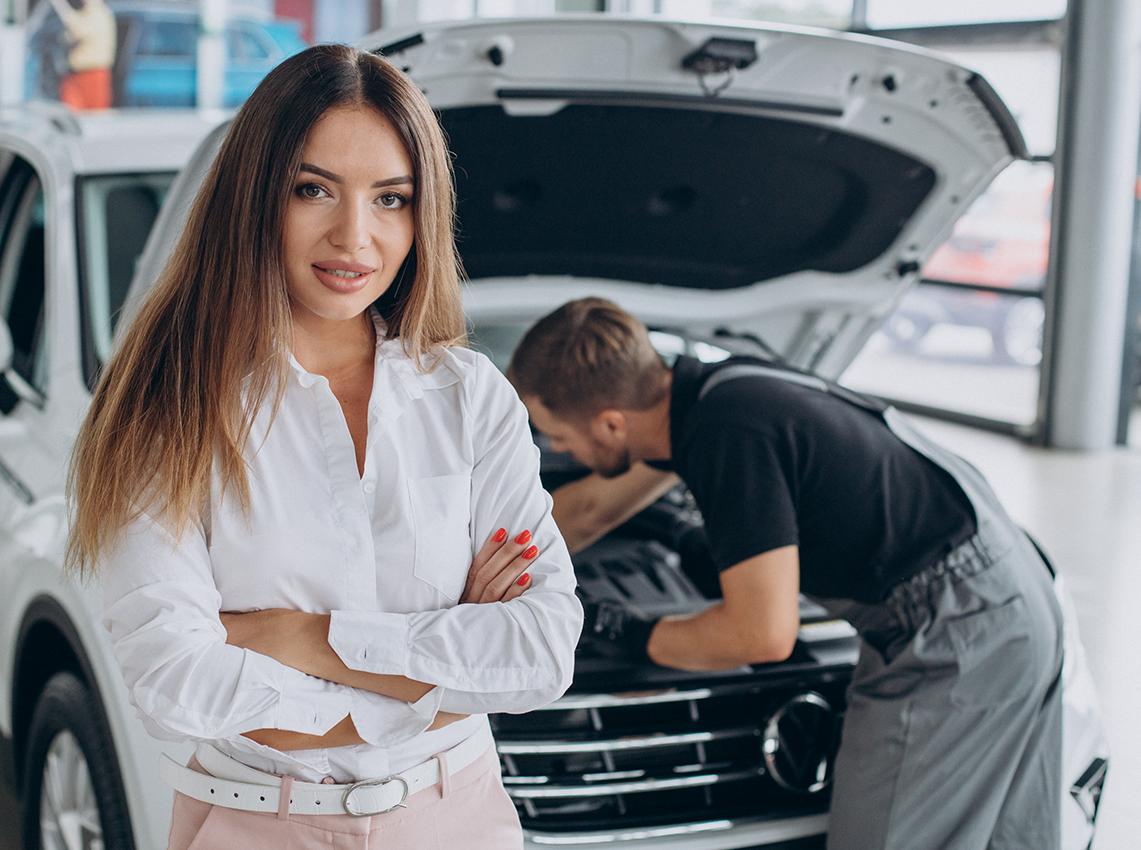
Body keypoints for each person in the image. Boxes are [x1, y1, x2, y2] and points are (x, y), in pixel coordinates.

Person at [65, 45, 581, 849]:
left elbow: (541, 652)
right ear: (254, 197)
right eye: (314, 190)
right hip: (258, 823)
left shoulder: (470, 396)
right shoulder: (170, 406)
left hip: (461, 818)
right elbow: (173, 681)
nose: (355, 236)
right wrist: (440, 674)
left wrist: (298, 637)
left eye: (391, 199)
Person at [508, 297, 1064, 850]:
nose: (554, 448)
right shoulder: (713, 393)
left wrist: (629, 632)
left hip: (956, 630)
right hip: (1010, 590)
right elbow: (588, 512)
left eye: (554, 435)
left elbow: (762, 636)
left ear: (610, 423)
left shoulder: (726, 436)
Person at [49, 0, 115, 110]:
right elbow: (69, 37)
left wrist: (60, 4)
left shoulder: (100, 14)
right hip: (75, 74)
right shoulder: (86, 14)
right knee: (70, 114)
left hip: (92, 74)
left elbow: (77, 29)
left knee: (94, 117)